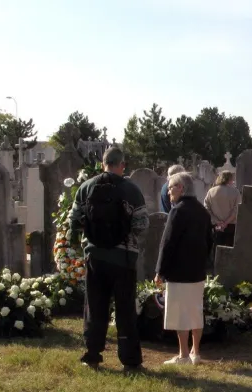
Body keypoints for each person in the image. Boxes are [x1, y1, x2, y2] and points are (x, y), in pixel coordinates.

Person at [69, 147, 149, 371]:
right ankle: (130, 361)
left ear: (102, 163)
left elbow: (74, 221)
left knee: (95, 307)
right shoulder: (131, 190)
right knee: (125, 310)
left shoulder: (85, 188)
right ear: (122, 164)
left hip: (95, 256)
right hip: (123, 258)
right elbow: (141, 225)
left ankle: (92, 355)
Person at [155, 172, 213, 366]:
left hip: (179, 272)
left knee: (181, 313)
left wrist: (160, 271)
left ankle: (183, 355)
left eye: (171, 187)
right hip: (197, 271)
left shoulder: (178, 210)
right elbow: (209, 241)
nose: (169, 192)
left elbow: (168, 243)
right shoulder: (203, 211)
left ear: (181, 188)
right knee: (196, 311)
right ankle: (196, 353)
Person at [204, 171, 239, 248]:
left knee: (216, 249)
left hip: (216, 225)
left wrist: (217, 221)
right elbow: (236, 209)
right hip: (231, 226)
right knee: (230, 250)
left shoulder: (211, 191)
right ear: (230, 179)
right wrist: (226, 223)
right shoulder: (235, 192)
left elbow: (206, 208)